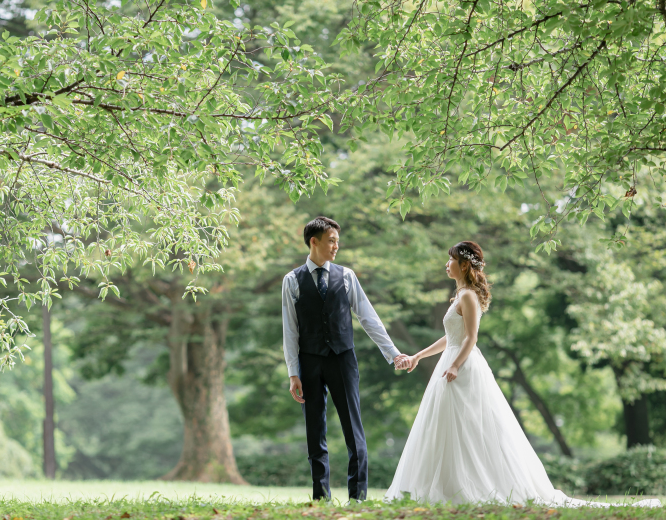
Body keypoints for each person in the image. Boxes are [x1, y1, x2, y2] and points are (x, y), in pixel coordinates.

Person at [389, 241, 661, 508]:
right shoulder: (459, 296)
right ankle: (447, 484)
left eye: (450, 260)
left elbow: (471, 337)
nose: (446, 265)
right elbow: (451, 338)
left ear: (463, 265)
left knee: (468, 426)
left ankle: (473, 483)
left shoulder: (469, 296)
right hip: (451, 361)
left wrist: (456, 365)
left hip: (463, 367)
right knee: (446, 425)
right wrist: (417, 357)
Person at [282, 216, 407, 501]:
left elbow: (368, 318)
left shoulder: (347, 276)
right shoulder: (291, 280)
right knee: (315, 431)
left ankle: (358, 497)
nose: (336, 246)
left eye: (338, 241)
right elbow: (290, 330)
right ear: (314, 242)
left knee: (353, 429)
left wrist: (393, 353)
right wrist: (293, 373)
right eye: (331, 241)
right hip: (309, 362)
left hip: (343, 359)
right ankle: (320, 497)